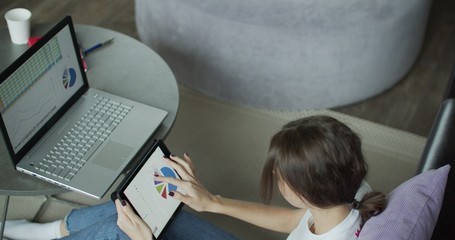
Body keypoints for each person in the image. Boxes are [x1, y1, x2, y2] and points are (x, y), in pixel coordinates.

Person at [3, 115, 386, 240]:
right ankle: (54, 230)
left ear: (305, 192)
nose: (273, 176)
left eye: (279, 175)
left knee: (129, 230)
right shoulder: (349, 191)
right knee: (152, 210)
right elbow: (297, 221)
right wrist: (212, 201)